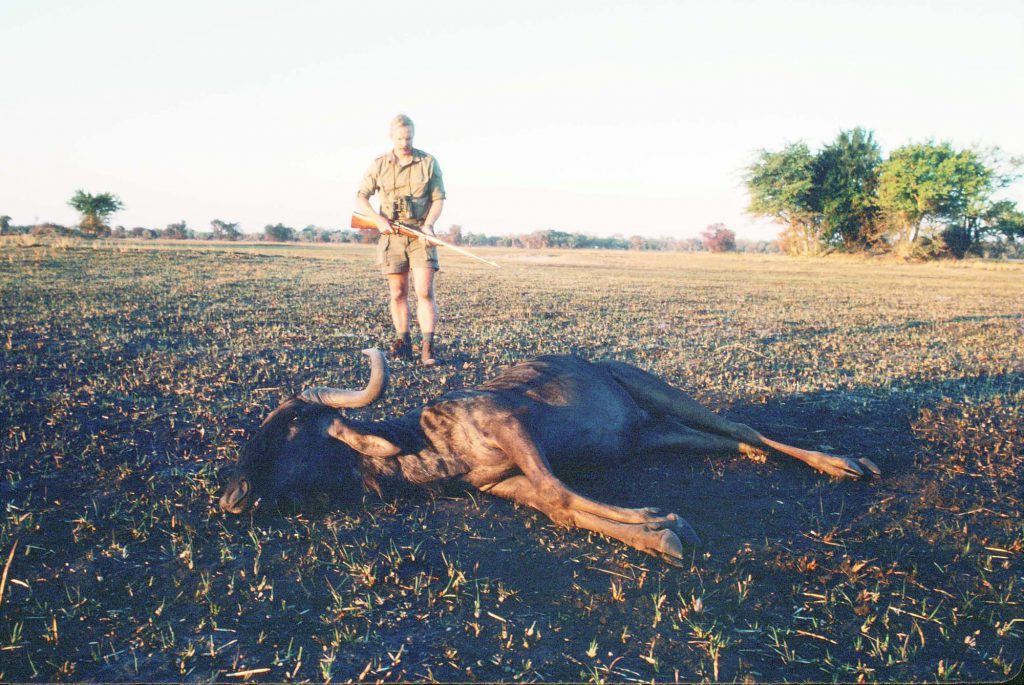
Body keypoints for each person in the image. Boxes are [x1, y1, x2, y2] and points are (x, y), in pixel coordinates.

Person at [356, 114, 446, 366]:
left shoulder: (428, 162)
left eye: (409, 138)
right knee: (398, 292)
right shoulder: (379, 164)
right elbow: (361, 197)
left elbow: (438, 198)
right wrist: (376, 219)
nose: (404, 142)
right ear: (391, 137)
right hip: (392, 235)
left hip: (419, 235)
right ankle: (403, 342)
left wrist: (429, 224)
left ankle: (428, 347)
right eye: (399, 138)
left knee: (424, 291)